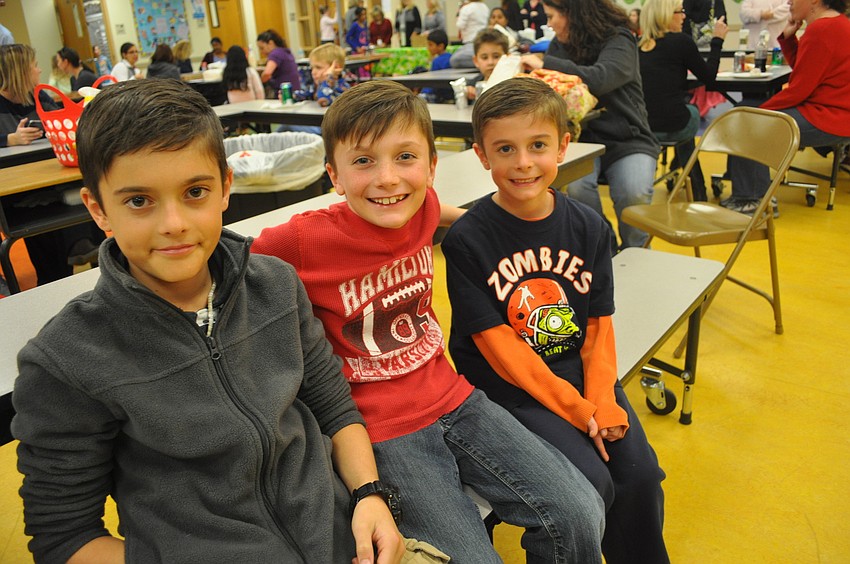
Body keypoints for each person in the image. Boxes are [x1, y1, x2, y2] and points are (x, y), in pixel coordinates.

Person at [12, 78, 405, 564]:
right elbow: (64, 535)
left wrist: (369, 495)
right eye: (139, 201)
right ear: (98, 209)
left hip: (345, 540)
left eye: (195, 191)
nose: (174, 222)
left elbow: (333, 407)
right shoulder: (67, 360)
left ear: (225, 188)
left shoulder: (277, 285)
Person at [252, 80, 606, 563]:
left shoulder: (423, 208)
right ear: (333, 175)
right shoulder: (302, 240)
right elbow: (236, 256)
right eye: (362, 161)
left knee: (579, 512)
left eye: (405, 158)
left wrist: (501, 240)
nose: (388, 179)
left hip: (455, 398)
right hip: (380, 427)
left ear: (431, 168)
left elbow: (458, 219)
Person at [442, 75, 670, 564]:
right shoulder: (467, 239)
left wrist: (603, 400)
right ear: (482, 155)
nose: (523, 163)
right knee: (594, 482)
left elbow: (597, 326)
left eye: (538, 145)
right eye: (505, 149)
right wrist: (578, 410)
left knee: (642, 476)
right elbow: (500, 348)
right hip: (510, 388)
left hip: (579, 375)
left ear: (564, 146)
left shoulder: (589, 226)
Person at [520, 0, 659, 249]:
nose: (549, 24)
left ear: (574, 13)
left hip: (629, 138)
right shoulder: (560, 45)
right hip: (582, 140)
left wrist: (546, 65)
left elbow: (601, 78)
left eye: (552, 16)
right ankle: (604, 245)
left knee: (633, 193)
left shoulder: (619, 38)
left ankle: (636, 251)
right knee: (576, 188)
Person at [721, 0, 850, 214]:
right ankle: (750, 193)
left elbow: (799, 89)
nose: (789, 1)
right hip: (834, 114)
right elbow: (805, 70)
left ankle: (753, 200)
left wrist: (759, 112)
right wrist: (789, 39)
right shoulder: (836, 24)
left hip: (827, 117)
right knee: (747, 110)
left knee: (747, 123)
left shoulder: (821, 29)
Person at [0, 44, 102, 284]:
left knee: (84, 193)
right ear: (20, 71)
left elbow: (64, 121)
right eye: (34, 66)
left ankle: (88, 257)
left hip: (51, 177)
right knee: (59, 213)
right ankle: (70, 259)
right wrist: (8, 139)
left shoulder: (38, 96)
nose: (39, 70)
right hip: (18, 191)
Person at [639, 0, 728, 201]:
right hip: (674, 123)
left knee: (678, 110)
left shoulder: (637, 47)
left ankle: (678, 175)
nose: (684, 16)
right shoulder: (681, 42)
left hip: (643, 126)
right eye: (680, 12)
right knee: (689, 113)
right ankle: (698, 191)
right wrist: (717, 41)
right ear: (666, 15)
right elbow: (709, 78)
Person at [466, 28, 509, 101]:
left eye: (496, 56)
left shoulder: (516, 85)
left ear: (508, 57)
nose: (490, 62)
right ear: (476, 61)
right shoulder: (472, 85)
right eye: (484, 57)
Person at [257, 29, 301, 97]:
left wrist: (259, 83)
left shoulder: (275, 54)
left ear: (270, 43)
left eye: (262, 48)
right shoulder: (285, 51)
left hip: (284, 93)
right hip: (295, 89)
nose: (261, 52)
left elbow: (267, 73)